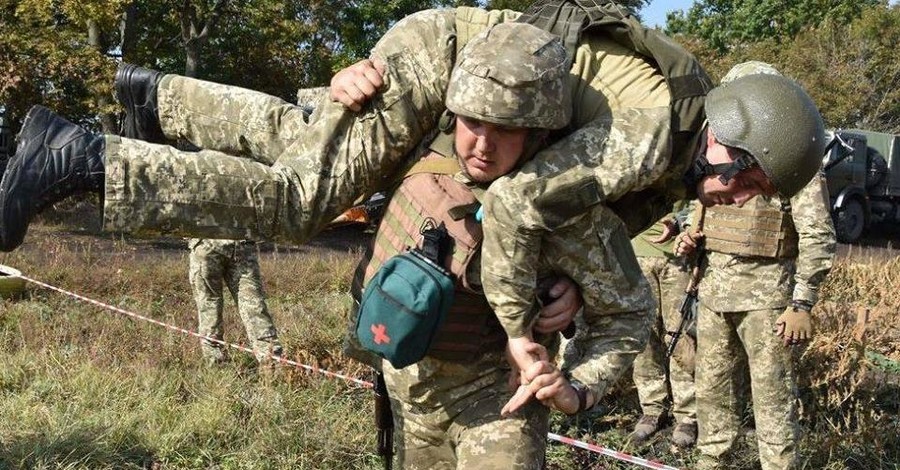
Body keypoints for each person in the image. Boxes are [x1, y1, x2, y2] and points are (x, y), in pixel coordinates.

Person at [0, 0, 825, 414]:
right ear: (728, 135)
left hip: (491, 86)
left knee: (309, 138)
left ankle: (156, 100)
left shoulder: (677, 150)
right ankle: (84, 158)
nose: (739, 197)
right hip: (451, 65)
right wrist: (518, 333)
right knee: (303, 198)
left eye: (756, 190)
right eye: (746, 178)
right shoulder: (650, 136)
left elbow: (579, 225)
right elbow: (516, 212)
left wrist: (568, 300)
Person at [344, 23, 607, 468]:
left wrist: (579, 389)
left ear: (537, 133)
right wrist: (346, 83)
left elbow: (629, 310)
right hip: (408, 384)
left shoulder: (562, 199)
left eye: (505, 129)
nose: (483, 145)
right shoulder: (419, 140)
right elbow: (313, 140)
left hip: (496, 401)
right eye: (473, 122)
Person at [674, 60, 837, 470]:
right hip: (713, 292)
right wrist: (687, 236)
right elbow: (700, 209)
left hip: (767, 301)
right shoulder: (716, 153)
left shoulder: (789, 158)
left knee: (773, 402)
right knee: (711, 394)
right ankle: (712, 462)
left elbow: (818, 234)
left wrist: (802, 303)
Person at [628, 207, 697, 447]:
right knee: (643, 337)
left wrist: (686, 226)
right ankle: (652, 407)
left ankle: (687, 414)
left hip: (679, 257)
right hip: (635, 254)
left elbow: (704, 198)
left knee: (680, 336)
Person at [188, 238, 283, 364]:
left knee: (212, 306)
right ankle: (272, 362)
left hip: (218, 245)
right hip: (229, 245)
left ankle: (271, 362)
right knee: (253, 306)